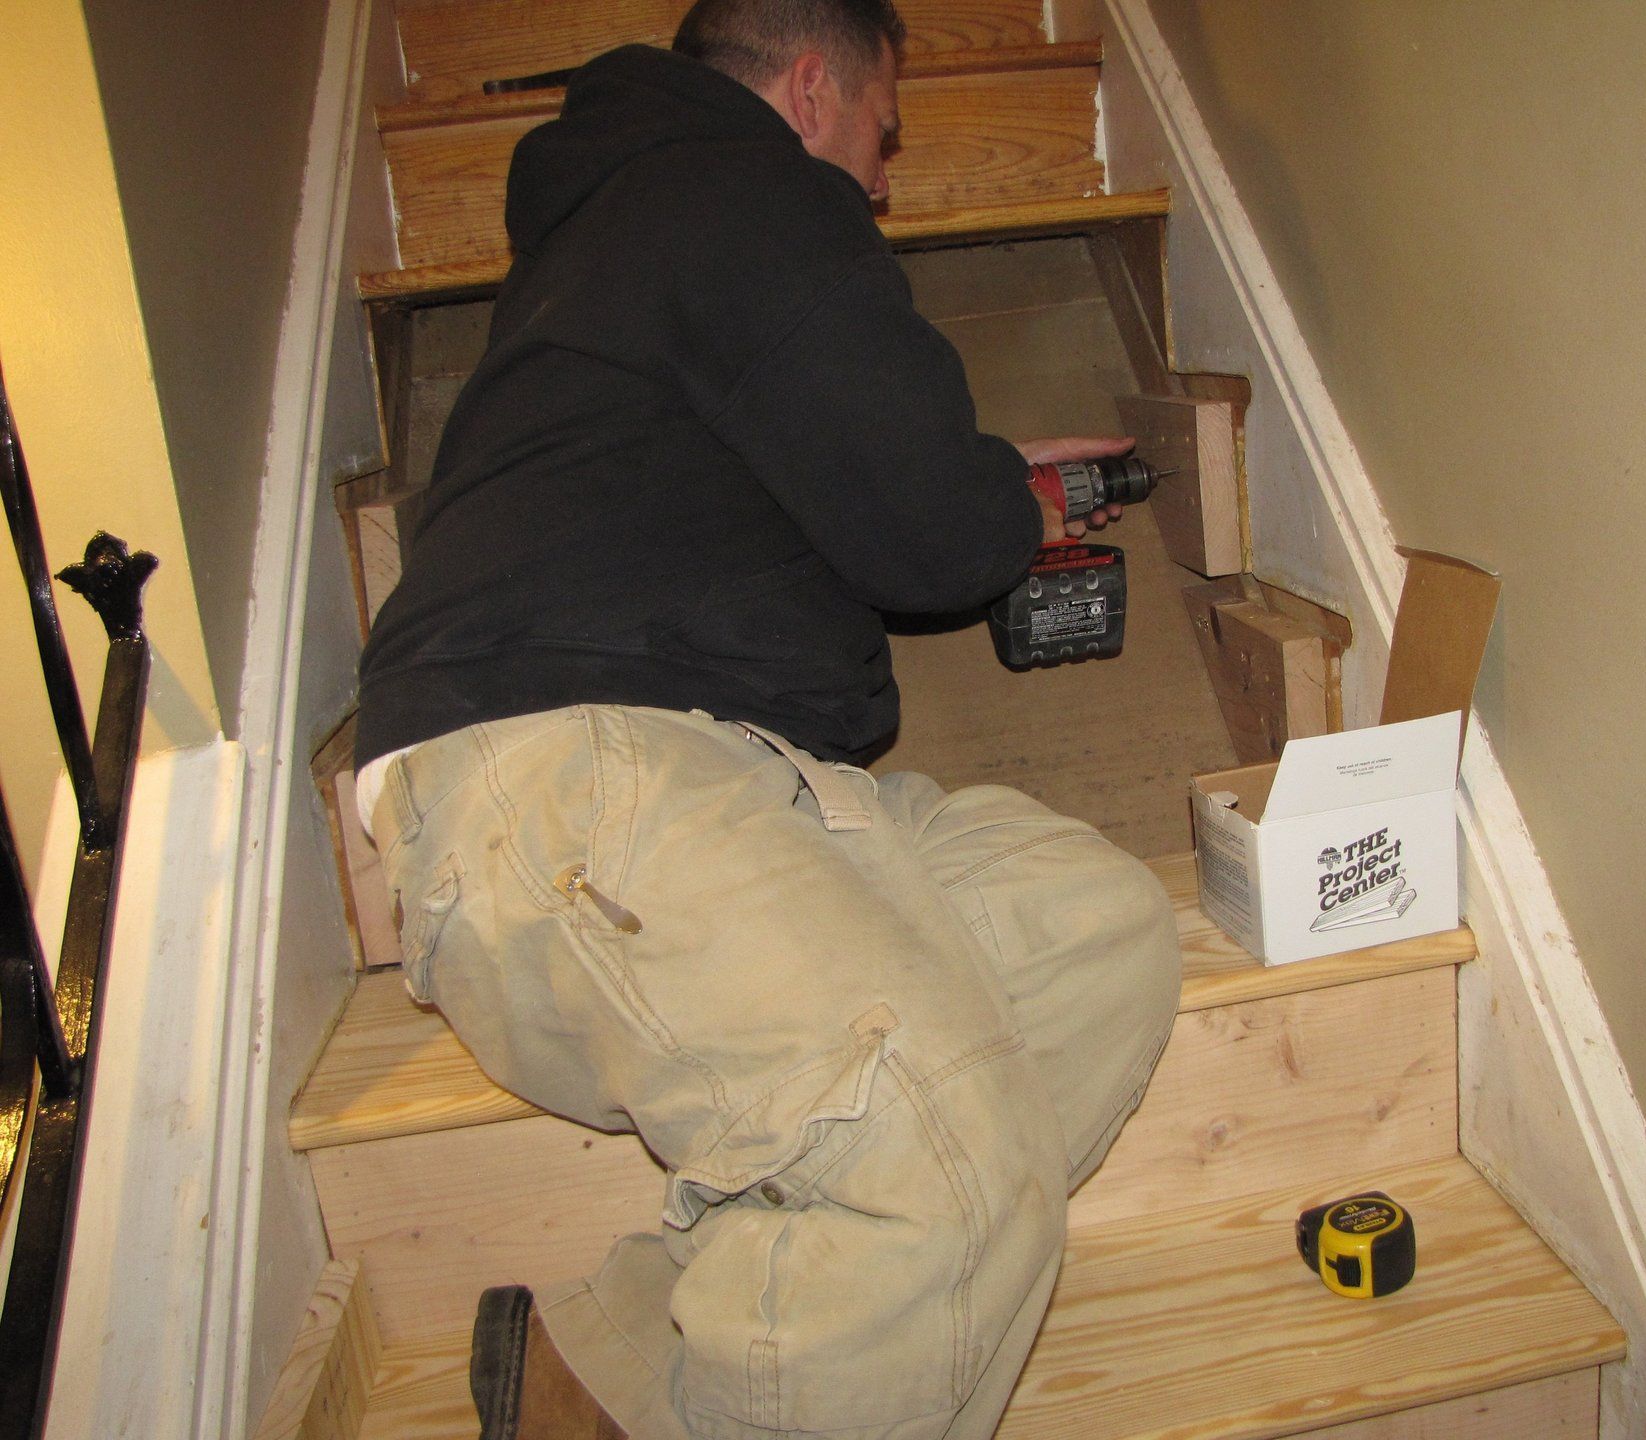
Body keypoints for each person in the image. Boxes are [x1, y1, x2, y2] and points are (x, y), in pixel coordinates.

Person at [353, 1, 1180, 1435]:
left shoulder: (636, 231)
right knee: (929, 1161)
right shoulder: (750, 190)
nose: (883, 177)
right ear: (811, 89)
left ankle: (622, 1371)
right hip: (567, 764)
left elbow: (861, 478)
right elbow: (928, 536)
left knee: (1090, 933)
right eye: (884, 132)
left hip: (704, 764)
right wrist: (1002, 497)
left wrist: (976, 476)